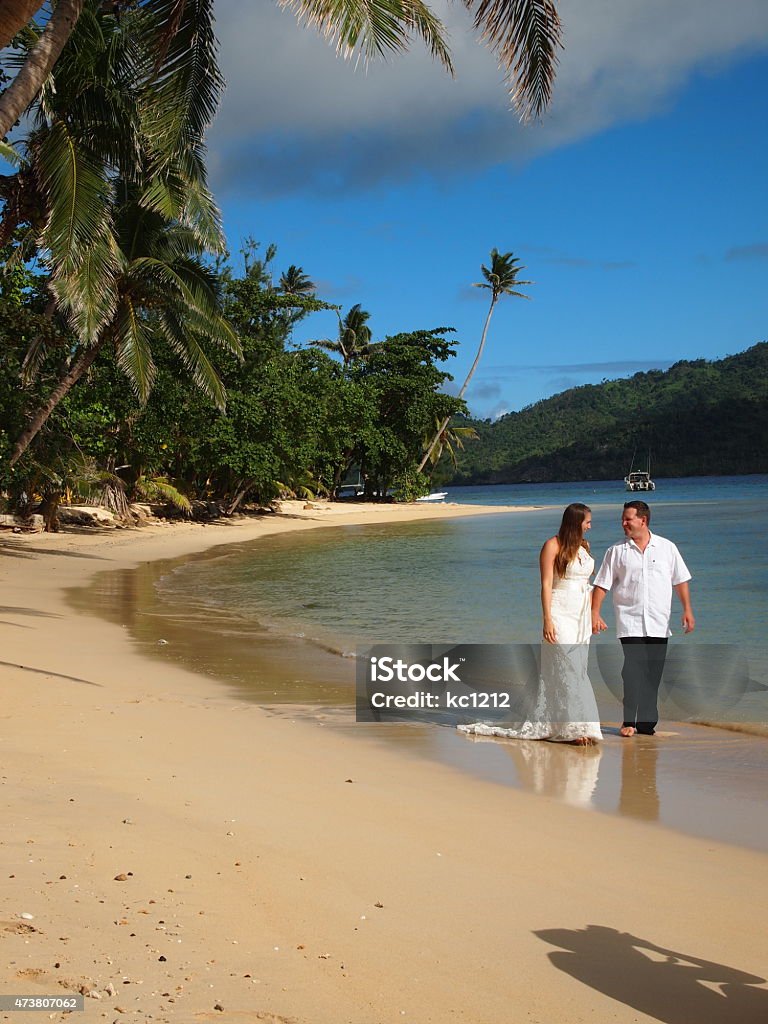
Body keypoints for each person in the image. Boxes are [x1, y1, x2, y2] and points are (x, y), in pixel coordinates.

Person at [459, 503, 602, 744]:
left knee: (577, 670)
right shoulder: (552, 545)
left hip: (580, 617)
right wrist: (547, 618)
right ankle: (573, 730)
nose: (590, 525)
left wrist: (594, 613)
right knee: (566, 668)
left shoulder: (583, 547)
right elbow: (546, 584)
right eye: (587, 521)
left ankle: (577, 725)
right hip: (560, 612)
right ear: (576, 522)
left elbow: (586, 584)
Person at [591, 500, 695, 737]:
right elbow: (601, 585)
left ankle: (647, 724)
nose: (623, 523)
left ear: (643, 520)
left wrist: (687, 610)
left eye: (628, 519)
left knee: (653, 674)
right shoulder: (616, 551)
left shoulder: (667, 548)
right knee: (633, 671)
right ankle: (629, 721)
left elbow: (680, 580)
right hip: (630, 622)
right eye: (623, 519)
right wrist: (594, 613)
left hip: (659, 623)